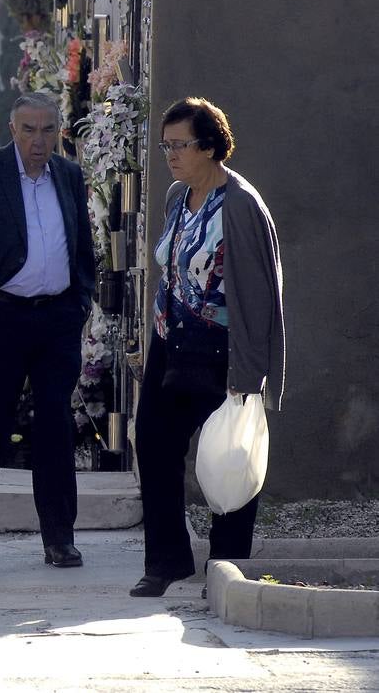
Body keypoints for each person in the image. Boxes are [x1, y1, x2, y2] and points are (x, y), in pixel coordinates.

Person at [131, 97, 284, 597]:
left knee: (228, 458)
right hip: (170, 343)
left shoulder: (239, 204)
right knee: (153, 446)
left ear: (212, 146)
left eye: (181, 145)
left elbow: (259, 293)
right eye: (166, 145)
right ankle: (167, 562)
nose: (171, 154)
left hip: (222, 350)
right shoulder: (178, 195)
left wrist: (250, 374)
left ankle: (227, 570)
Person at [0, 93, 96, 569]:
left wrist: (80, 303)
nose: (38, 140)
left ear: (59, 132)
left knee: (55, 425)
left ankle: (59, 539)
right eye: (29, 130)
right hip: (1, 317)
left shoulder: (68, 175)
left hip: (56, 319)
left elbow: (82, 245)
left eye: (48, 130)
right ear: (12, 129)